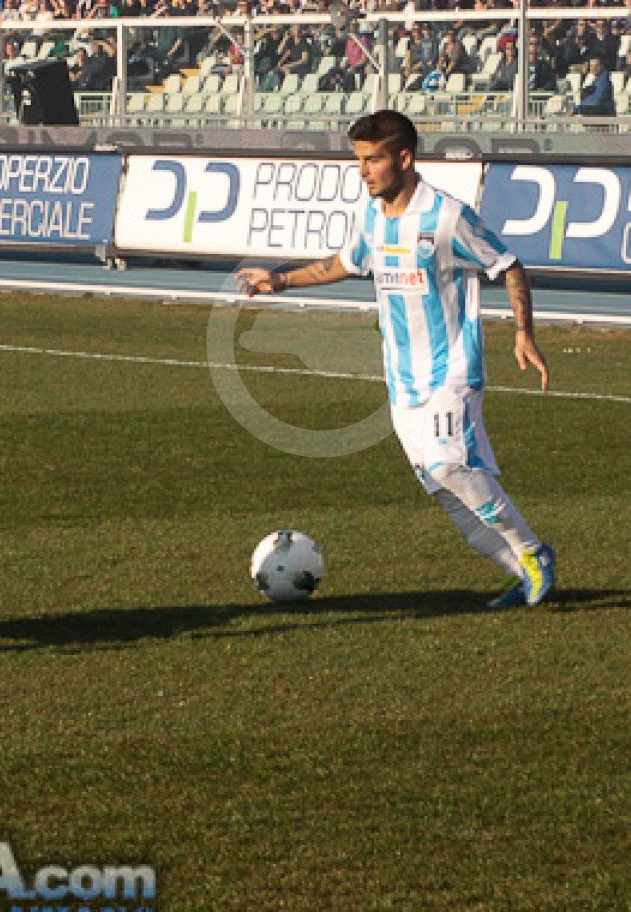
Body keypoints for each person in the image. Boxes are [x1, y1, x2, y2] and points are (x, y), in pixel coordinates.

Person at [236, 110, 557, 609]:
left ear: (404, 158)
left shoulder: (446, 216)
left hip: (452, 369)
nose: (363, 171)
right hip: (402, 378)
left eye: (373, 160)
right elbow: (344, 263)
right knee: (443, 490)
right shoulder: (371, 216)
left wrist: (524, 334)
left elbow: (509, 265)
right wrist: (279, 280)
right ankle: (522, 573)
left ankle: (533, 551)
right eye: (359, 160)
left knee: (449, 467)